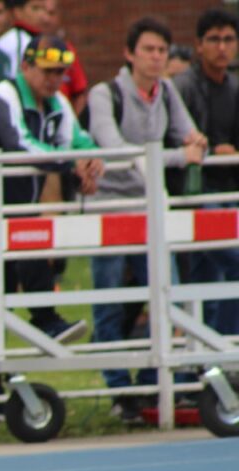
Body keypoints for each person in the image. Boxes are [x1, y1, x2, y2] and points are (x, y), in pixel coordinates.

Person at [0, 34, 104, 421]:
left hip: (15, 208)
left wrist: (90, 163)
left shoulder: (58, 102)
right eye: (47, 71)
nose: (55, 79)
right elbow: (19, 145)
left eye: (61, 72)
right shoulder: (2, 96)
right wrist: (71, 163)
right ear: (26, 66)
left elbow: (78, 140)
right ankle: (46, 320)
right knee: (18, 260)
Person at [87, 17, 206, 424]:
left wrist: (196, 143)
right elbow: (115, 149)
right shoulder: (105, 94)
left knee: (165, 295)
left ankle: (150, 384)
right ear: (129, 53)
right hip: (109, 210)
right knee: (109, 303)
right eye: (149, 50)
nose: (156, 58)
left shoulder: (168, 91)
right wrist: (178, 155)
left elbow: (190, 136)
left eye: (162, 51)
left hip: (153, 208)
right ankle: (121, 392)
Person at [173, 8, 239, 338]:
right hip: (196, 196)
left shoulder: (235, 89)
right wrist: (213, 152)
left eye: (229, 39)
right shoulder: (182, 88)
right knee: (216, 273)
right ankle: (218, 354)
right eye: (214, 39)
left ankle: (219, 353)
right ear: (199, 45)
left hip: (230, 196)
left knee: (218, 280)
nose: (222, 47)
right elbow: (176, 137)